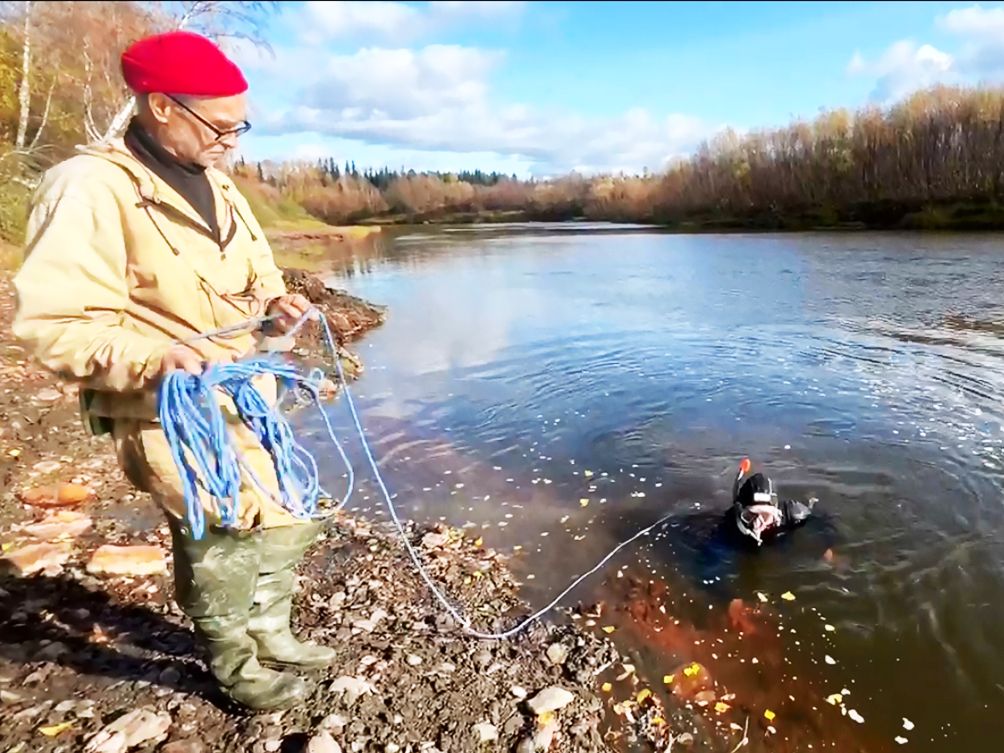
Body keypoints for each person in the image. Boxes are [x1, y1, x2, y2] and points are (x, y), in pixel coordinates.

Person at [12, 30, 332, 711]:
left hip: (246, 394)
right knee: (222, 530)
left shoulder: (220, 184)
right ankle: (234, 663)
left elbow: (258, 281)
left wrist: (276, 310)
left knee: (286, 512)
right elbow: (53, 324)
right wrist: (151, 357)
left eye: (241, 126)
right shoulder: (86, 189)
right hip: (162, 407)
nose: (233, 141)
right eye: (220, 126)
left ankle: (270, 630)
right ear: (161, 106)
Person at [730, 457, 815, 545]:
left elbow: (813, 516)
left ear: (775, 510)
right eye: (749, 516)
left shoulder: (793, 513)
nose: (757, 524)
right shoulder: (736, 521)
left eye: (764, 515)